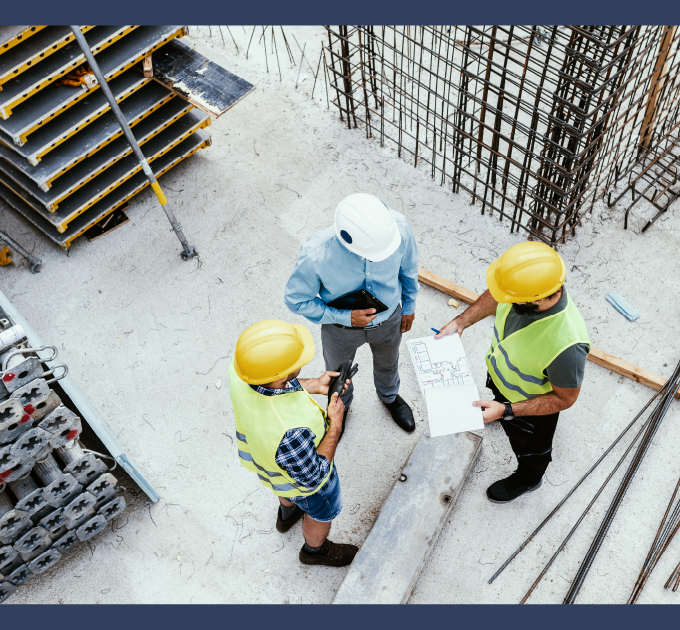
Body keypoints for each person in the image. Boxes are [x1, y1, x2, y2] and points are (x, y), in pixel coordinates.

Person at [435, 241, 591, 503]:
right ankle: (499, 412)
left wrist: (507, 410)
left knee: (531, 448)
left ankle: (529, 479)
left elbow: (565, 399)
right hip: (502, 381)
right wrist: (461, 322)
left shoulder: (567, 346)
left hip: (529, 409)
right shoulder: (526, 291)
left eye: (511, 296)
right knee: (498, 408)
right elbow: (497, 296)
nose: (504, 298)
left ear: (537, 298)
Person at [228, 319, 358, 567]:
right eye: (295, 364)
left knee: (286, 490)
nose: (301, 363)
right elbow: (314, 477)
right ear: (280, 376)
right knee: (321, 511)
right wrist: (336, 424)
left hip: (267, 464)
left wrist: (314, 385)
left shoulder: (240, 369)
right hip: (306, 480)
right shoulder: (291, 433)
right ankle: (314, 550)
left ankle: (287, 515)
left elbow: (271, 388)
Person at [284, 193, 418, 432]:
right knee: (338, 374)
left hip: (389, 322)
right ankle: (341, 407)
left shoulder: (398, 229)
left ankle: (389, 396)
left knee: (389, 363)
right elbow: (297, 300)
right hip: (340, 331)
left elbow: (408, 269)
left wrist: (408, 307)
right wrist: (345, 317)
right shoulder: (316, 253)